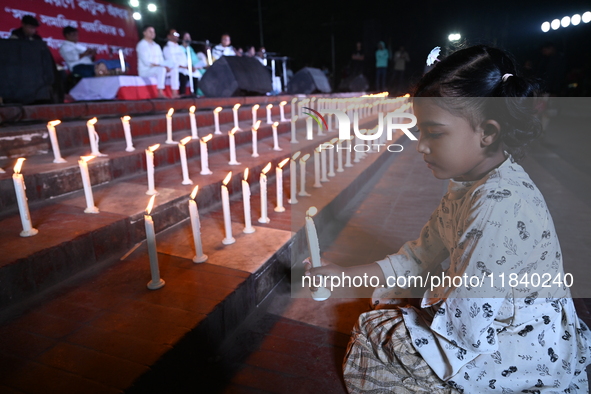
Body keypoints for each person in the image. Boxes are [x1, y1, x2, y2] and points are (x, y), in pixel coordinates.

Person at [305, 45, 591, 393]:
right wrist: (343, 278)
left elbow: (467, 329)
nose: (421, 146)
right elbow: (418, 257)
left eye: (434, 133)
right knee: (392, 297)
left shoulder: (497, 206)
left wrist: (423, 299)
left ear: (488, 131)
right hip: (489, 319)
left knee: (373, 329)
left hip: (518, 349)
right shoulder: (471, 183)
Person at [136, 25, 176, 99]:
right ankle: (160, 93)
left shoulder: (156, 46)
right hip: (146, 70)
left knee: (174, 70)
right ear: (144, 33)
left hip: (157, 69)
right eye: (150, 31)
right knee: (162, 69)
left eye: (153, 32)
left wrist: (167, 66)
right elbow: (146, 62)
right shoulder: (141, 45)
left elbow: (161, 60)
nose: (152, 33)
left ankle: (174, 93)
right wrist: (162, 66)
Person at [178, 32, 208, 96]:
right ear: (182, 39)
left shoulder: (190, 48)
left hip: (194, 68)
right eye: (186, 37)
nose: (187, 39)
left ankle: (197, 94)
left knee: (201, 74)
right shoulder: (179, 48)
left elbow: (195, 60)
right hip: (183, 68)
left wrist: (199, 66)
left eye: (189, 37)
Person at [161, 28, 183, 98]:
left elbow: (183, 59)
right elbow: (171, 61)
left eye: (177, 34)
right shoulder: (167, 47)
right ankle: (175, 93)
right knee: (176, 71)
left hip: (182, 67)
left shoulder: (179, 47)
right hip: (172, 67)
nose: (176, 36)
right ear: (169, 36)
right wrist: (181, 66)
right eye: (174, 34)